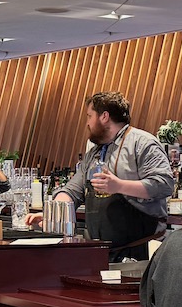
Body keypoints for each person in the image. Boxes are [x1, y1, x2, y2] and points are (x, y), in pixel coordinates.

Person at [29, 91, 174, 260]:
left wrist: (119, 186)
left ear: (104, 116)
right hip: (101, 253)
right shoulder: (94, 152)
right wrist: (54, 214)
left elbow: (163, 184)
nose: (87, 123)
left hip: (139, 253)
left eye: (90, 116)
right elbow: (72, 190)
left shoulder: (142, 143)